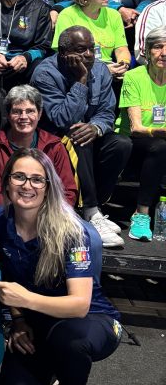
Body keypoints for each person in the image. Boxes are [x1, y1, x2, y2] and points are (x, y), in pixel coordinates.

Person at [0, 149, 123, 385]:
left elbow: (79, 305)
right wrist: (18, 321)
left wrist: (25, 301)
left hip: (90, 321)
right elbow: (6, 278)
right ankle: (48, 366)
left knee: (70, 339)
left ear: (49, 186)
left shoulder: (73, 232)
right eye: (19, 176)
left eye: (37, 179)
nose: (27, 185)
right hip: (37, 321)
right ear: (7, 182)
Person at [32, 26, 132, 247]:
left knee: (121, 144)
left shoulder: (101, 70)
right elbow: (62, 119)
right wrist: (81, 80)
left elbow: (107, 112)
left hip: (87, 135)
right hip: (54, 141)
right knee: (78, 134)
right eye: (81, 49)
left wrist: (95, 128)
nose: (88, 55)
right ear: (63, 52)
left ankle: (97, 208)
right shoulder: (45, 73)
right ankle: (90, 211)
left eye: (91, 49)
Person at [0, 85, 76, 208]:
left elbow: (68, 191)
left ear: (40, 113)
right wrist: (22, 215)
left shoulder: (54, 145)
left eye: (30, 111)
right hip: (8, 215)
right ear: (8, 115)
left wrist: (46, 216)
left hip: (48, 216)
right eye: (17, 111)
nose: (24, 117)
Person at [115, 26, 166, 241]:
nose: (164, 52)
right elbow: (136, 128)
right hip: (133, 144)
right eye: (158, 47)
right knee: (160, 146)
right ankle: (142, 214)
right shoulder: (134, 77)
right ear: (146, 51)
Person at [52, 0, 130, 80]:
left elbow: (121, 49)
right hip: (78, 72)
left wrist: (123, 65)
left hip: (110, 69)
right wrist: (102, 70)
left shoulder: (114, 15)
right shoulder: (67, 15)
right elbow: (66, 57)